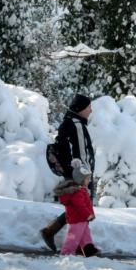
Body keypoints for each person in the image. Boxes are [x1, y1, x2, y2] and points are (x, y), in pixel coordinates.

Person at [40, 93, 95, 252]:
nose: (90, 111)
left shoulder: (69, 122)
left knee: (77, 206)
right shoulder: (76, 124)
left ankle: (76, 243)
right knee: (82, 206)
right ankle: (74, 244)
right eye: (88, 107)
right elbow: (81, 151)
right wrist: (85, 173)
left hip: (72, 171)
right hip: (78, 173)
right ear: (80, 109)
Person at [54, 163, 99, 257]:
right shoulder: (77, 192)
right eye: (87, 179)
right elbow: (80, 206)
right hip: (77, 219)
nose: (89, 180)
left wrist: (90, 214)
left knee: (85, 235)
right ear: (81, 180)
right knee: (73, 237)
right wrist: (88, 214)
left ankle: (89, 250)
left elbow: (86, 204)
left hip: (82, 219)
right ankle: (66, 253)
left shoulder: (81, 190)